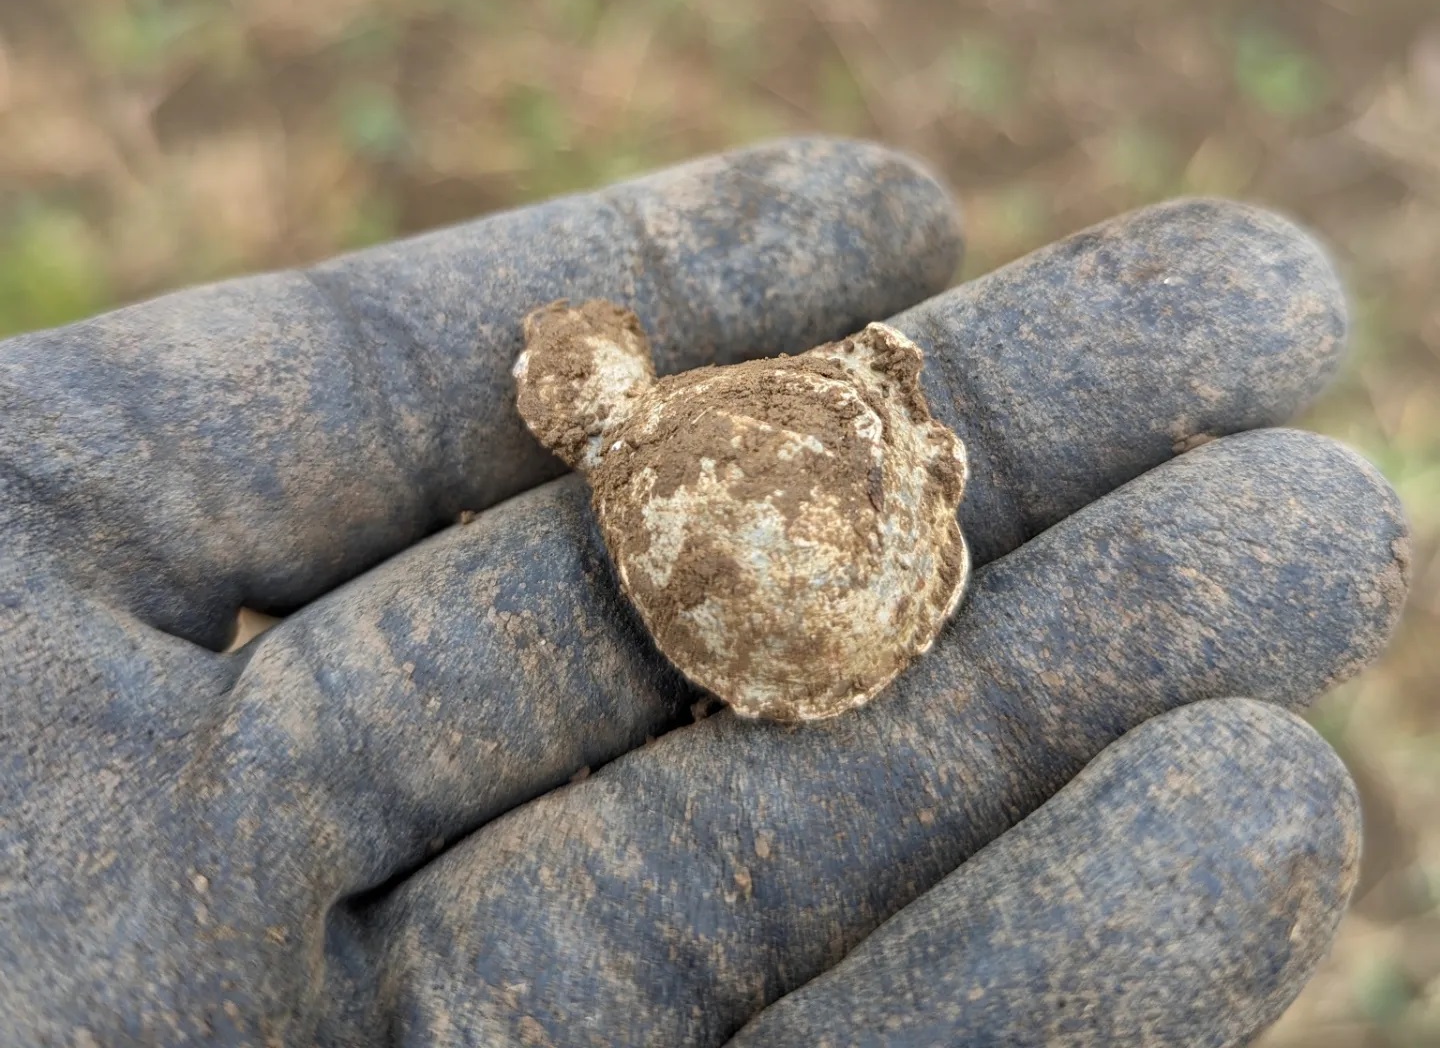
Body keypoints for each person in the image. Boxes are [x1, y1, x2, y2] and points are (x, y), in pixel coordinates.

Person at [0, 138, 1408, 1047]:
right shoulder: (664, 451)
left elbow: (848, 408)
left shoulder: (673, 441)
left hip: (831, 559)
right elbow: (854, 401)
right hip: (825, 568)